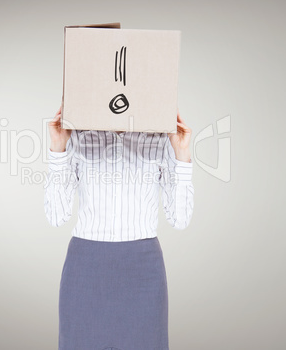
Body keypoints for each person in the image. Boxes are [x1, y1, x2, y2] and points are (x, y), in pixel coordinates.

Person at [44, 105, 194, 350]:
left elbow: (180, 218)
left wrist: (181, 153)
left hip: (143, 267)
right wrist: (58, 148)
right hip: (85, 266)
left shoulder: (158, 135)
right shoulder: (80, 132)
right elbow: (56, 215)